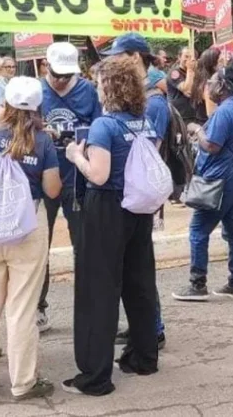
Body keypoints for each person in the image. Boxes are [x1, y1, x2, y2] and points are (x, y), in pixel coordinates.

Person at [61, 55, 161, 396]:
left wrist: (76, 155)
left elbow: (99, 175)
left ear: (110, 86)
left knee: (97, 289)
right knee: (139, 282)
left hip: (106, 207)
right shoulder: (144, 121)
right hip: (138, 207)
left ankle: (94, 375)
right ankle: (143, 356)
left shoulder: (105, 126)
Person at [0, 76, 60, 401]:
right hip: (27, 229)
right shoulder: (42, 142)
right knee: (21, 309)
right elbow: (52, 190)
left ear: (3, 102)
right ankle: (23, 382)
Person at [172, 62, 233, 300]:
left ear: (223, 86)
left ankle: (198, 284)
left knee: (198, 229)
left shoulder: (225, 111)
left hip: (218, 180)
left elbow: (212, 145)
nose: (209, 86)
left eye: (214, 82)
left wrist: (196, 129)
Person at [37, 41, 101, 331]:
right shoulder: (36, 91)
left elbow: (100, 128)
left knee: (85, 245)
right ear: (45, 66)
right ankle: (38, 307)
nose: (61, 80)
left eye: (66, 75)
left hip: (78, 179)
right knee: (39, 246)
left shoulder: (87, 91)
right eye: (56, 74)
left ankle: (89, 305)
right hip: (43, 180)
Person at [189, 48, 221, 123]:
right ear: (213, 65)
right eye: (220, 61)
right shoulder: (208, 85)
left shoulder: (200, 80)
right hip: (207, 126)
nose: (224, 64)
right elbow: (211, 113)